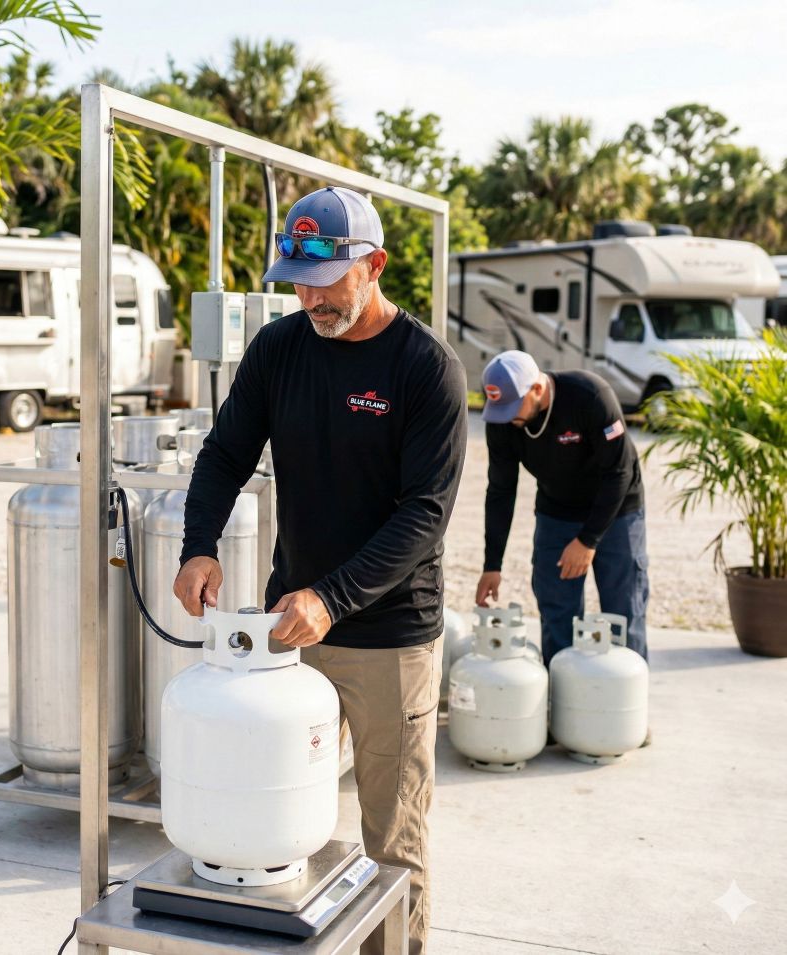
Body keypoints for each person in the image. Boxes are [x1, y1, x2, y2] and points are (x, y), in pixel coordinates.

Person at [173, 185, 467, 955]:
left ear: (373, 265)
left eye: (327, 279)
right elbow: (226, 452)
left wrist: (333, 597)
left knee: (390, 840)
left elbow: (424, 515)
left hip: (388, 641)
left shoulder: (426, 369)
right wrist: (197, 542)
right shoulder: (279, 347)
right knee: (277, 824)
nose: (310, 296)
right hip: (290, 631)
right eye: (297, 279)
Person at [474, 350, 649, 666]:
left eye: (514, 406)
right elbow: (500, 491)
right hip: (557, 510)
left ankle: (627, 705)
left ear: (537, 389)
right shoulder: (502, 418)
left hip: (616, 510)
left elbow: (619, 472)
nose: (507, 417)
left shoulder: (590, 395)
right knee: (557, 609)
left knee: (622, 611)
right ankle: (562, 696)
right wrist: (492, 564)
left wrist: (588, 541)